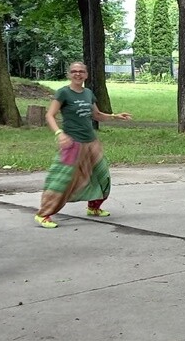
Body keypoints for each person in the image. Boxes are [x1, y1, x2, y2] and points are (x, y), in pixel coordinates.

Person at [34, 62, 132, 228]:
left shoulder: (88, 93)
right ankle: (43, 214)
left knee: (101, 175)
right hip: (72, 144)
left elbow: (97, 115)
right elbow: (50, 115)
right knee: (62, 179)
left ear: (86, 75)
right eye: (74, 71)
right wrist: (59, 133)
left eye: (81, 71)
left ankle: (93, 207)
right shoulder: (63, 93)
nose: (77, 74)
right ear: (69, 74)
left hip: (91, 142)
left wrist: (115, 116)